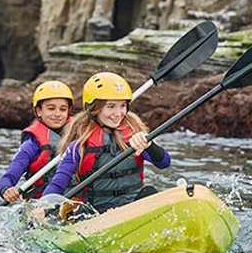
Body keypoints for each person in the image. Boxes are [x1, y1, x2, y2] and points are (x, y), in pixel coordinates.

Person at [41, 72, 170, 214]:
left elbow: (164, 163)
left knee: (151, 193)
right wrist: (42, 208)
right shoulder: (80, 145)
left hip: (133, 207)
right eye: (110, 106)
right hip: (99, 213)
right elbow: (58, 184)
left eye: (122, 106)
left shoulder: (134, 136)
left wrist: (149, 146)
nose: (118, 113)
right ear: (94, 108)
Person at [0, 81, 74, 202]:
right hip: (41, 205)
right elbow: (8, 177)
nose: (57, 114)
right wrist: (7, 189)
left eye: (63, 109)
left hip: (74, 201)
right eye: (51, 108)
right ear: (39, 111)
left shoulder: (80, 134)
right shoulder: (32, 144)